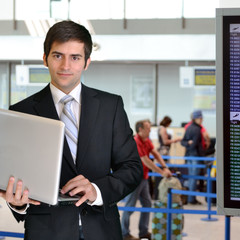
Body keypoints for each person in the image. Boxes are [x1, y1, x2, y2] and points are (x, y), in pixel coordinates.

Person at [0, 21, 143, 240]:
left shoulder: (110, 106)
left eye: (75, 57)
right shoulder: (22, 112)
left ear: (87, 62)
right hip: (46, 232)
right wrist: (17, 203)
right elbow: (15, 177)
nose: (66, 66)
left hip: (102, 230)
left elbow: (132, 168)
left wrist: (97, 190)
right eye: (58, 56)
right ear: (45, 58)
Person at [121, 119, 172, 240]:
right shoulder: (135, 141)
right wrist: (162, 173)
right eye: (148, 128)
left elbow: (155, 153)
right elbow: (145, 160)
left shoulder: (146, 140)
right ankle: (124, 233)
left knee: (147, 204)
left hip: (144, 178)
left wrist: (165, 167)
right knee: (130, 206)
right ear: (140, 130)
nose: (150, 130)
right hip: (134, 179)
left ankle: (143, 232)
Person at [181, 110, 205, 204]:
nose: (202, 119)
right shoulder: (197, 129)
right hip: (196, 157)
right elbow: (195, 145)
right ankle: (191, 199)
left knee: (191, 178)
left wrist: (187, 144)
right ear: (197, 118)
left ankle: (190, 198)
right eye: (201, 118)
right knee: (194, 178)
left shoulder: (189, 127)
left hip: (188, 156)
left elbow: (182, 142)